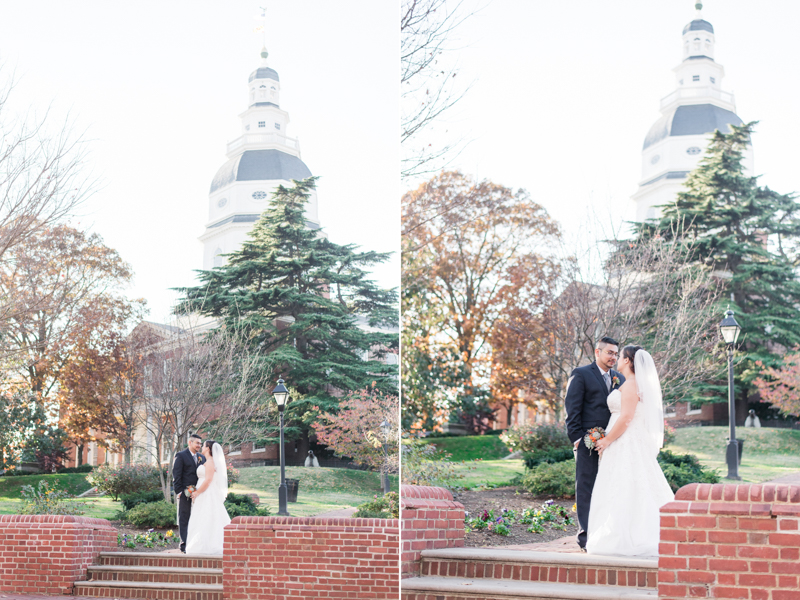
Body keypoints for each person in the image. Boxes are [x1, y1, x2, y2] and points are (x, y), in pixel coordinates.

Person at [586, 345, 674, 556]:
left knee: (626, 487)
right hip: (622, 441)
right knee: (625, 486)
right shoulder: (630, 384)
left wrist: (606, 441)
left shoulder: (632, 385)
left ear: (627, 361)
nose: (617, 359)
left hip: (625, 442)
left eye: (620, 356)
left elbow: (626, 418)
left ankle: (629, 537)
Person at [564, 336, 625, 552]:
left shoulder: (620, 377)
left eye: (616, 354)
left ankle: (606, 534)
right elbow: (572, 411)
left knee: (610, 487)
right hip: (589, 443)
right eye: (609, 352)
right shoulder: (580, 374)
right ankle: (586, 537)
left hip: (614, 443)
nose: (613, 357)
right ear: (597, 352)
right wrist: (579, 441)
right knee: (586, 487)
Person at [185, 440, 231, 555]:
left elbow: (209, 480)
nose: (202, 447)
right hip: (203, 493)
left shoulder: (210, 462)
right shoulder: (207, 461)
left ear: (208, 449)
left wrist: (197, 492)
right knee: (202, 518)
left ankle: (208, 545)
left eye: (204, 445)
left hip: (207, 493)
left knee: (207, 518)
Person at [173, 434, 203, 554]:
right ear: (190, 443)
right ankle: (184, 544)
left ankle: (195, 543)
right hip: (185, 493)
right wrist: (179, 492)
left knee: (197, 518)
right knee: (184, 518)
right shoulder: (181, 456)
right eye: (197, 443)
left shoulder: (202, 457)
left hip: (199, 494)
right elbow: (176, 475)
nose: (199, 446)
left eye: (200, 444)